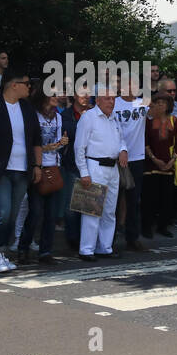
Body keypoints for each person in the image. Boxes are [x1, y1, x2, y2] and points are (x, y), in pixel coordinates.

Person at [0, 68, 42, 272]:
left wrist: (37, 165)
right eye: (27, 84)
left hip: (22, 170)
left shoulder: (27, 109)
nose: (30, 87)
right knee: (2, 212)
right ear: (14, 85)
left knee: (12, 215)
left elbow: (37, 140)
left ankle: (2, 253)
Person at [71, 84, 126, 260]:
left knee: (109, 211)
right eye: (108, 98)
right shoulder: (89, 118)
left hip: (113, 168)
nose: (112, 101)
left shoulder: (114, 118)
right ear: (98, 99)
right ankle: (86, 249)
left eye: (114, 98)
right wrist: (84, 172)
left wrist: (123, 149)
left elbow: (120, 139)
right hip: (94, 166)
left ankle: (105, 247)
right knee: (91, 210)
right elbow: (79, 147)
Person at [18, 84, 67, 264]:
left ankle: (45, 251)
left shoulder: (58, 118)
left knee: (51, 213)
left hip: (53, 166)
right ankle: (23, 248)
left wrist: (62, 142)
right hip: (37, 167)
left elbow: (56, 144)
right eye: (52, 94)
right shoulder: (33, 116)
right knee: (35, 211)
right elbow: (31, 144)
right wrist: (47, 148)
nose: (57, 96)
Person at [141, 93, 177, 237]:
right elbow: (145, 142)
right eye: (157, 102)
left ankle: (163, 226)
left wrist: (172, 161)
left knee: (166, 199)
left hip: (169, 165)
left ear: (169, 106)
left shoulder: (174, 120)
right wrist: (155, 159)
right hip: (151, 165)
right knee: (149, 198)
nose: (160, 105)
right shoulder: (148, 121)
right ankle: (146, 228)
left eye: (163, 103)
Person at [113, 79, 149, 251]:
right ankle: (108, 239)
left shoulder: (143, 102)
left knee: (134, 200)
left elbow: (160, 109)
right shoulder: (113, 103)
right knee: (112, 200)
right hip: (114, 157)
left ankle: (132, 237)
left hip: (136, 158)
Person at [60, 88, 91, 249]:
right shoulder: (65, 115)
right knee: (72, 206)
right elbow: (69, 133)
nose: (86, 96)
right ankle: (72, 239)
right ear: (74, 95)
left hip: (92, 165)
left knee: (89, 205)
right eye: (82, 93)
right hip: (72, 164)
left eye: (89, 93)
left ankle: (87, 240)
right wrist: (85, 123)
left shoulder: (95, 112)